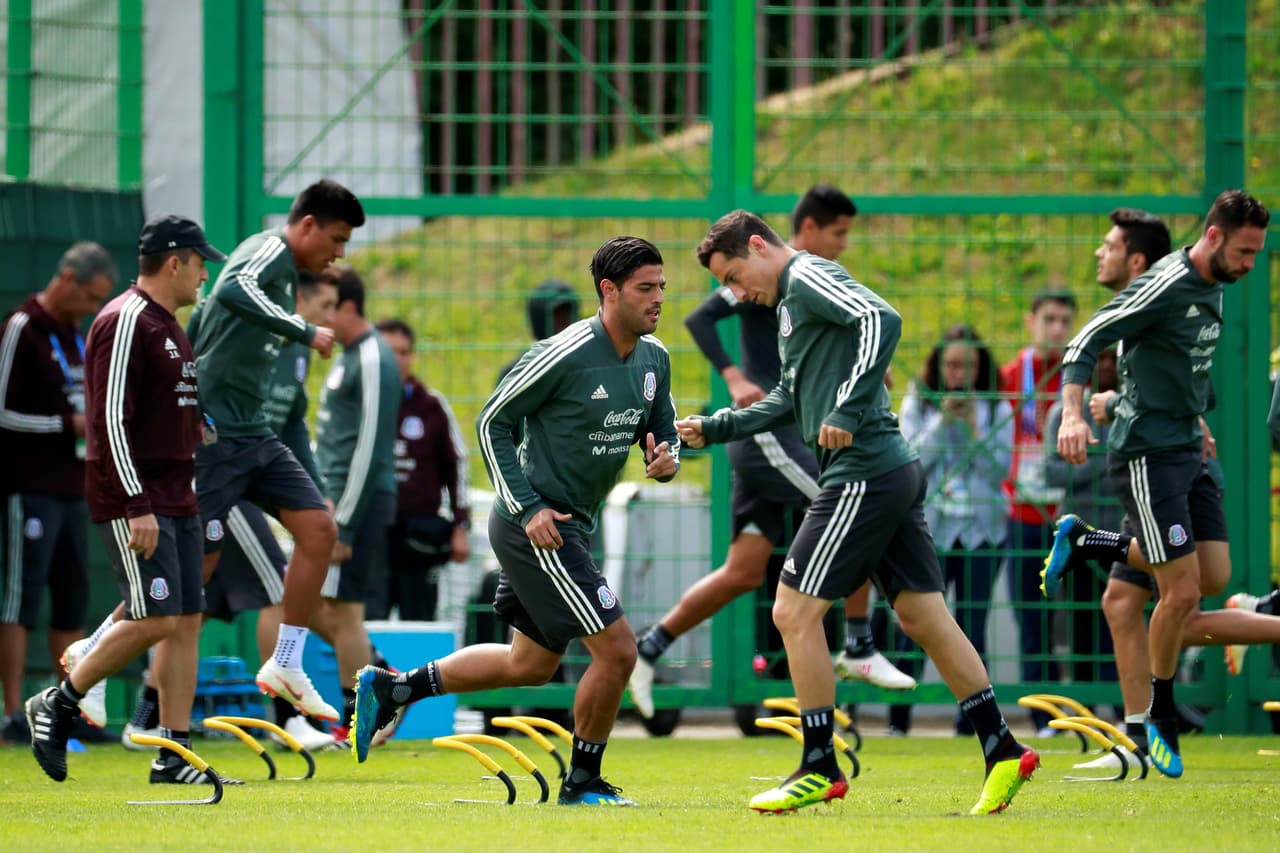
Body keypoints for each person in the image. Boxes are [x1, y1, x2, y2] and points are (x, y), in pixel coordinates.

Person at [676, 210, 1037, 815]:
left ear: (760, 246)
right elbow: (791, 397)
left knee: (792, 609)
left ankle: (819, 763)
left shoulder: (808, 275)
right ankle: (1002, 747)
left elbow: (881, 318)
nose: (736, 294)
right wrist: (713, 428)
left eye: (736, 276)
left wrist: (846, 408)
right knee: (925, 617)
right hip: (887, 469)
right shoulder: (788, 305)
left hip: (863, 472)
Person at [350, 236, 680, 807]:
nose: (657, 300)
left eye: (661, 289)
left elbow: (661, 426)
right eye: (645, 289)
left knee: (528, 663)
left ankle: (395, 686)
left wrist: (666, 455)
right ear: (609, 291)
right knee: (620, 650)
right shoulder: (564, 352)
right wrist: (528, 507)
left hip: (573, 525)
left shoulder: (656, 359)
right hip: (537, 528)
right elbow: (490, 425)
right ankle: (581, 783)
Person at [630, 185, 912, 723]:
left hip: (770, 431)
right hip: (768, 435)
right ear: (804, 232)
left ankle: (649, 648)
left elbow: (846, 339)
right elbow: (702, 318)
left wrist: (863, 370)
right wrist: (735, 379)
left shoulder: (808, 285)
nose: (843, 244)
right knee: (851, 509)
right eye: (838, 233)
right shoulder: (772, 278)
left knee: (742, 571)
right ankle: (856, 644)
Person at [1044, 189, 1271, 778]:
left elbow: (1174, 368)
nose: (1251, 265)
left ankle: (1090, 542)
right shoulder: (1163, 285)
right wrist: (1073, 414)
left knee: (1208, 579)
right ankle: (1156, 721)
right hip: (1148, 457)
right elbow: (1083, 342)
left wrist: (1193, 417)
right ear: (1215, 237)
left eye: (1257, 255)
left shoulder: (1214, 281)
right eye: (1246, 252)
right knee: (1182, 597)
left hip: (1185, 448)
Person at [24, 215, 238, 784]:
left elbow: (169, 408)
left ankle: (175, 754)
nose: (204, 276)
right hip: (137, 499)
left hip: (176, 493)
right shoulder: (125, 320)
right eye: (200, 264)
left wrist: (199, 430)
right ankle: (61, 702)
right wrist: (135, 502)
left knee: (187, 618)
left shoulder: (170, 324)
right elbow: (107, 421)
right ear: (175, 262)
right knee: (155, 617)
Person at [107, 267, 344, 754]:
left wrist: (316, 489)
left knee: (182, 603)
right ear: (292, 299)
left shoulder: (292, 353)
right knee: (274, 587)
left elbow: (293, 421)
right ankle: (288, 717)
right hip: (219, 472)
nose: (329, 321)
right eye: (323, 308)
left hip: (253, 472)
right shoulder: (249, 332)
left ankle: (136, 709)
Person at [187, 179, 365, 721]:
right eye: (335, 239)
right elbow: (232, 288)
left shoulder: (288, 280)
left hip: (253, 435)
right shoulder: (266, 250)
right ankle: (97, 651)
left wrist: (318, 490)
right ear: (306, 225)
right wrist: (302, 328)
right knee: (189, 577)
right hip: (213, 439)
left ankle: (287, 662)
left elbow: (288, 418)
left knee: (318, 529)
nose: (338, 254)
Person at [0, 243, 115, 734]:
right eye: (89, 297)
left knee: (71, 599)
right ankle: (11, 713)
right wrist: (65, 425)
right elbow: (1, 412)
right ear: (66, 278)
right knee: (19, 601)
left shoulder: (76, 336)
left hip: (73, 489)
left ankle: (65, 712)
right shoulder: (21, 328)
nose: (92, 309)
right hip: (28, 487)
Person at [891, 324, 1012, 736]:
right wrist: (943, 423)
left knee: (973, 625)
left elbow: (1000, 470)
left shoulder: (996, 407)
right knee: (919, 624)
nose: (961, 374)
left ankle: (970, 722)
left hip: (983, 529)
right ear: (939, 365)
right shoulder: (920, 402)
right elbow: (911, 461)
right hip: (933, 530)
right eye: (953, 365)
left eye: (970, 366)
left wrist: (975, 429)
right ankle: (899, 719)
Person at [312, 268, 401, 741]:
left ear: (347, 307)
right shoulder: (348, 355)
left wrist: (343, 522)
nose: (321, 318)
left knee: (343, 611)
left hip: (357, 504)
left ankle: (360, 717)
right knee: (310, 601)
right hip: (336, 502)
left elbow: (368, 446)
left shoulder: (372, 357)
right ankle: (380, 676)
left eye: (328, 308)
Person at [998, 289, 1076, 734]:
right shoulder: (1012, 375)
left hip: (1070, 514)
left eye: (1065, 321)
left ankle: (1092, 706)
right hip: (1023, 513)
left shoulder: (1075, 377)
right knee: (1030, 615)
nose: (1057, 329)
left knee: (1085, 615)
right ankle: (1042, 715)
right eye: (1049, 319)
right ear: (1031, 321)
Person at [371, 318, 470, 622]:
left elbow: (458, 465)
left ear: (412, 356)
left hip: (418, 536)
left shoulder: (432, 406)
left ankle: (416, 672)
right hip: (371, 533)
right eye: (389, 352)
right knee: (367, 624)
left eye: (403, 352)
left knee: (420, 624)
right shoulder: (358, 402)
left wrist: (460, 526)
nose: (397, 359)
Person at [1043, 347, 1121, 687]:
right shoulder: (1063, 412)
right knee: (1080, 626)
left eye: (1111, 359)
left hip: (1122, 531)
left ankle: (1125, 706)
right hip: (1079, 535)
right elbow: (1052, 472)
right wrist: (1105, 462)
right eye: (1099, 359)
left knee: (1123, 619)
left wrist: (1085, 463)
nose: (1105, 366)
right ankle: (1085, 706)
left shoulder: (1129, 410)